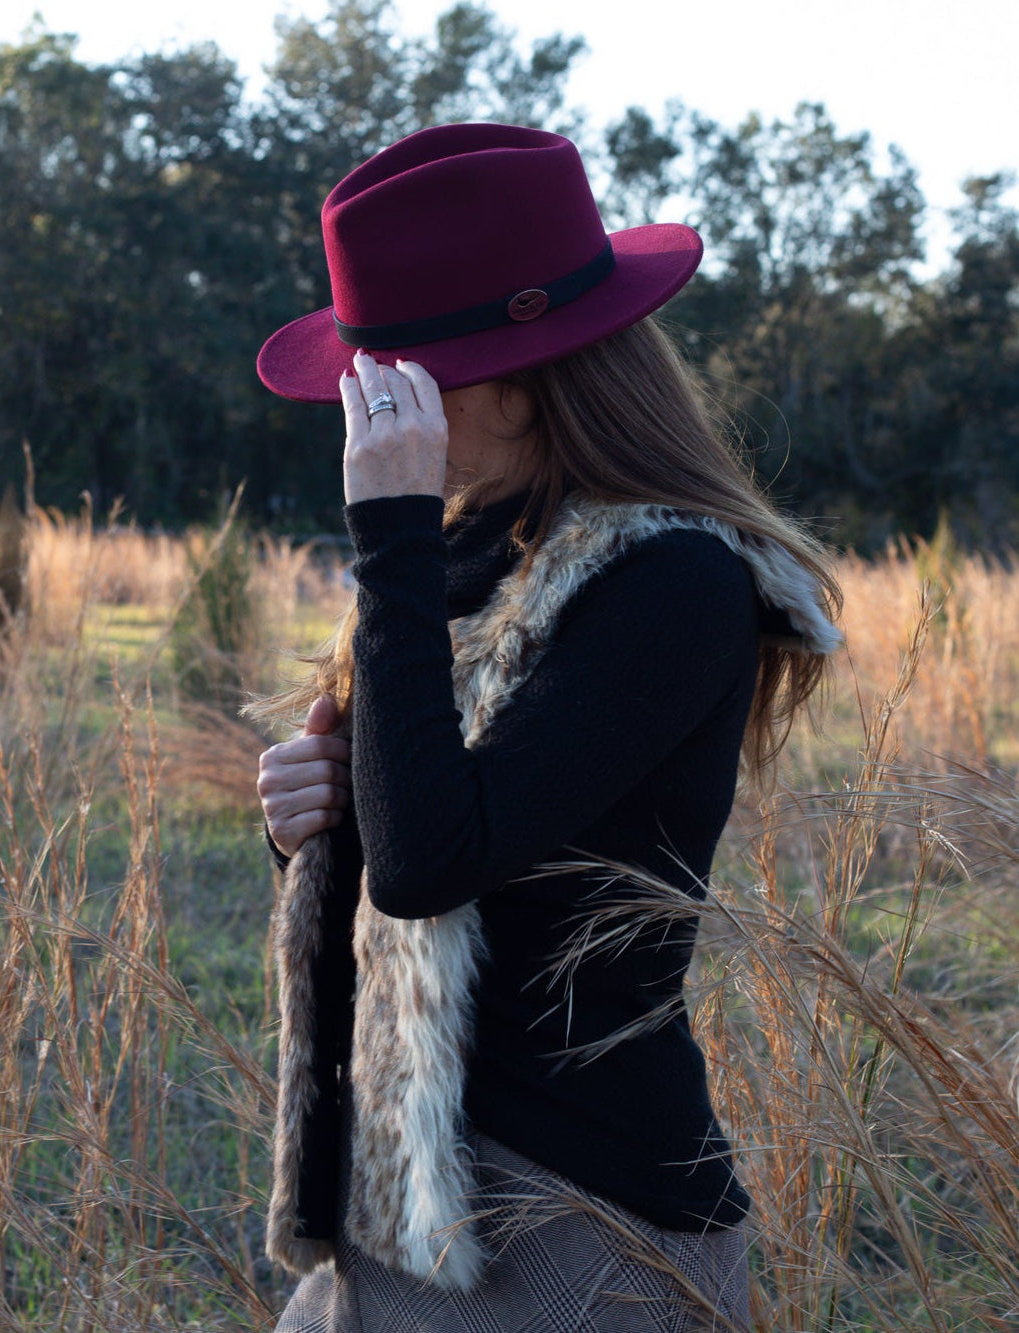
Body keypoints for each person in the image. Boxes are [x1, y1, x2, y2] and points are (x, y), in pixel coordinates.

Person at [252, 122, 842, 1332]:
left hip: (572, 1216)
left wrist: (391, 536)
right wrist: (314, 816)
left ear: (526, 372)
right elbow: (412, 838)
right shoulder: (470, 549)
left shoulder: (668, 579)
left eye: (397, 378)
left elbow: (430, 866)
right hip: (412, 1181)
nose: (365, 413)